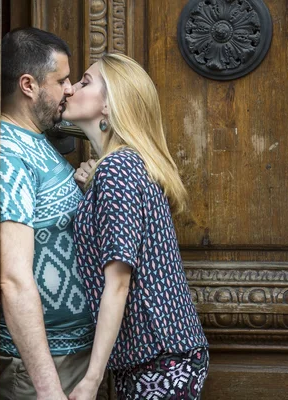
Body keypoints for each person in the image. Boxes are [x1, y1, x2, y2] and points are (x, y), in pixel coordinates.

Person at [62, 53, 209, 400]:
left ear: (109, 107)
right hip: (153, 358)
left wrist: (91, 379)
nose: (70, 89)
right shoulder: (119, 168)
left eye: (85, 81)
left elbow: (118, 282)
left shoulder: (119, 170)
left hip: (160, 361)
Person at [0, 27, 95, 400]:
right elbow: (13, 278)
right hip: (43, 369)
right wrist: (48, 387)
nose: (70, 89)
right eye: (62, 80)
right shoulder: (10, 154)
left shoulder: (37, 139)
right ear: (28, 85)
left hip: (71, 357)